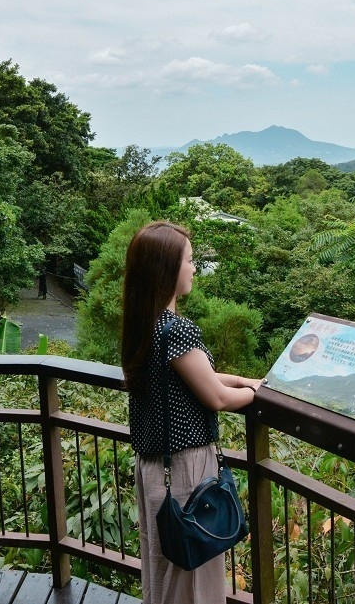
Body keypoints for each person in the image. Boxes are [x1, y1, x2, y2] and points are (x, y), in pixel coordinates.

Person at [121, 221, 263, 603]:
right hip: (186, 469)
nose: (195, 268)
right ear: (168, 269)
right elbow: (216, 397)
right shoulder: (177, 330)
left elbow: (201, 376)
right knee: (192, 578)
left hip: (153, 466)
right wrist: (257, 393)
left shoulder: (144, 325)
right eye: (190, 260)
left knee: (164, 572)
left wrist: (244, 381)